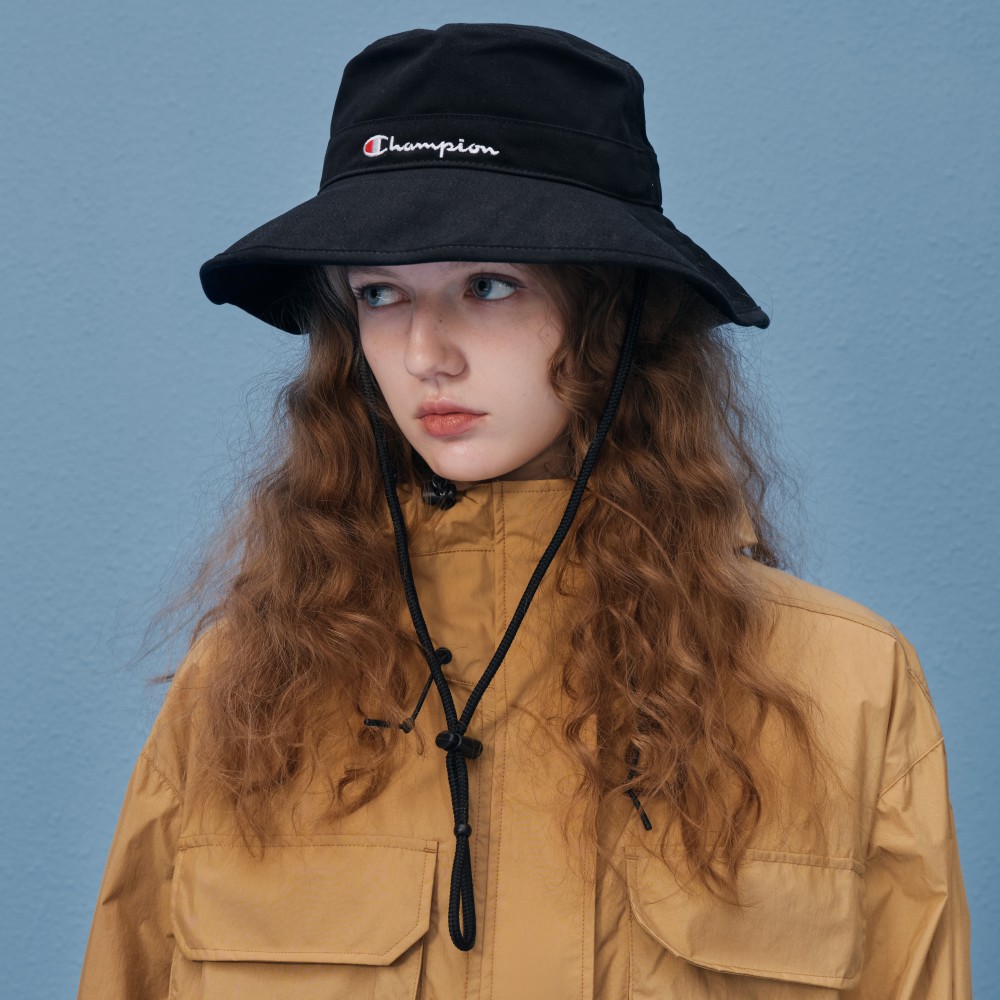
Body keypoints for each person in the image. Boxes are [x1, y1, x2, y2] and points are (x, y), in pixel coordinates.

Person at [78, 23, 971, 999]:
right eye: (380, 294)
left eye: (489, 285)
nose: (426, 353)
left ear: (613, 311)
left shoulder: (843, 688)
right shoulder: (249, 690)